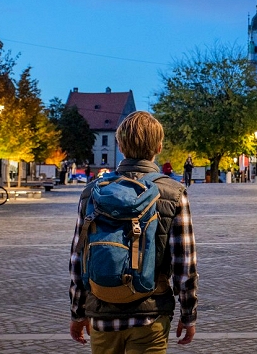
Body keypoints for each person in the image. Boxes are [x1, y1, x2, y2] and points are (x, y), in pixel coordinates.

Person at [69, 111, 198, 353]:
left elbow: (77, 259)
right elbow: (185, 264)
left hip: (102, 313)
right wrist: (189, 315)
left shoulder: (92, 193)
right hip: (151, 315)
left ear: (119, 145)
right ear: (159, 147)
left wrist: (78, 312)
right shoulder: (173, 193)